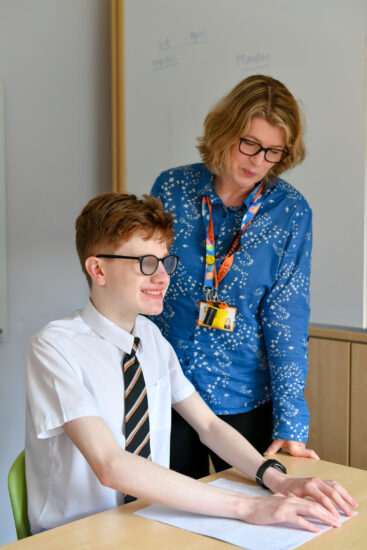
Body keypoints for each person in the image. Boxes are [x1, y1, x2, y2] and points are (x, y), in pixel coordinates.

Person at [24, 192, 356, 535]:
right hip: (76, 536)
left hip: (147, 524)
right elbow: (112, 465)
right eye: (145, 263)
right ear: (98, 269)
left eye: (165, 262)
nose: (162, 277)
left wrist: (274, 477)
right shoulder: (54, 347)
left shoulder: (151, 339)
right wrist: (249, 507)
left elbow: (208, 426)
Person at [150, 74, 316, 479]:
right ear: (225, 130)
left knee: (253, 527)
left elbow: (286, 320)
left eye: (273, 151)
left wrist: (291, 422)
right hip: (167, 391)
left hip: (243, 398)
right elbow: (144, 282)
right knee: (168, 527)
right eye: (250, 143)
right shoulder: (172, 188)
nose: (258, 161)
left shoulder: (291, 213)